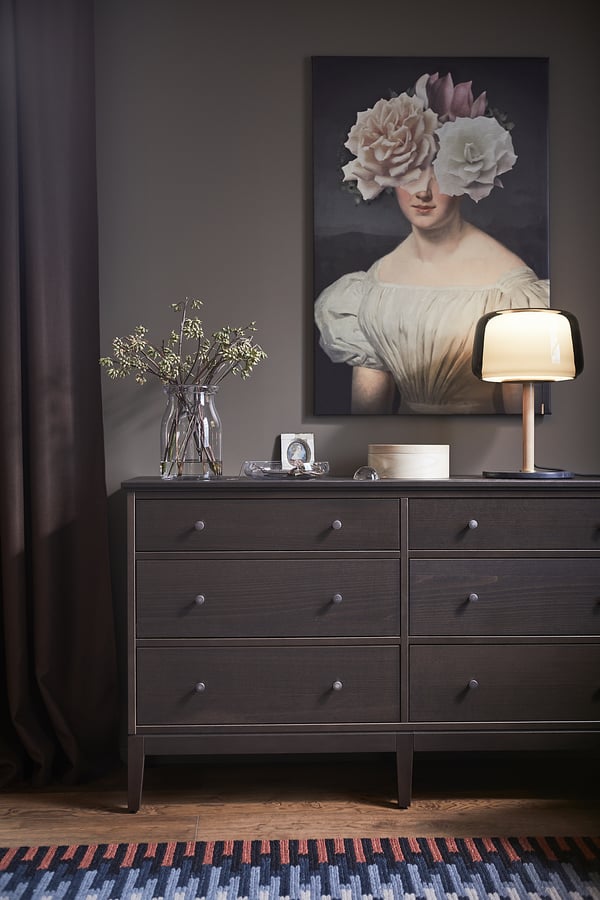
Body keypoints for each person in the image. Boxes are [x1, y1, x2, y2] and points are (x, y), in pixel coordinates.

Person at [314, 71, 550, 414]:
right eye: (408, 173)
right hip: (398, 449)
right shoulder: (373, 285)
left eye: (438, 173)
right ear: (388, 176)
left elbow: (522, 420)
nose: (422, 191)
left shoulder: (510, 287)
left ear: (466, 175)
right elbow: (367, 418)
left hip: (484, 444)